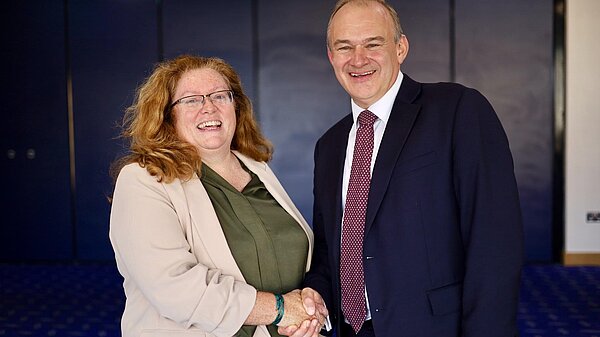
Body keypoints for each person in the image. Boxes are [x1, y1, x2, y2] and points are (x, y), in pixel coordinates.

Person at [292, 1, 524, 336]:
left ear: (400, 48)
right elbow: (332, 251)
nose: (358, 59)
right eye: (345, 47)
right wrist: (316, 290)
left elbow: (495, 244)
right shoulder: (328, 146)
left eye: (373, 44)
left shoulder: (457, 111)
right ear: (331, 56)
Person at [109, 55, 326, 337]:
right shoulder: (143, 179)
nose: (208, 107)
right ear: (167, 114)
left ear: (236, 107)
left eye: (220, 96)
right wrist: (280, 310)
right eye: (191, 100)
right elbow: (174, 286)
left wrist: (309, 311)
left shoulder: (256, 168)